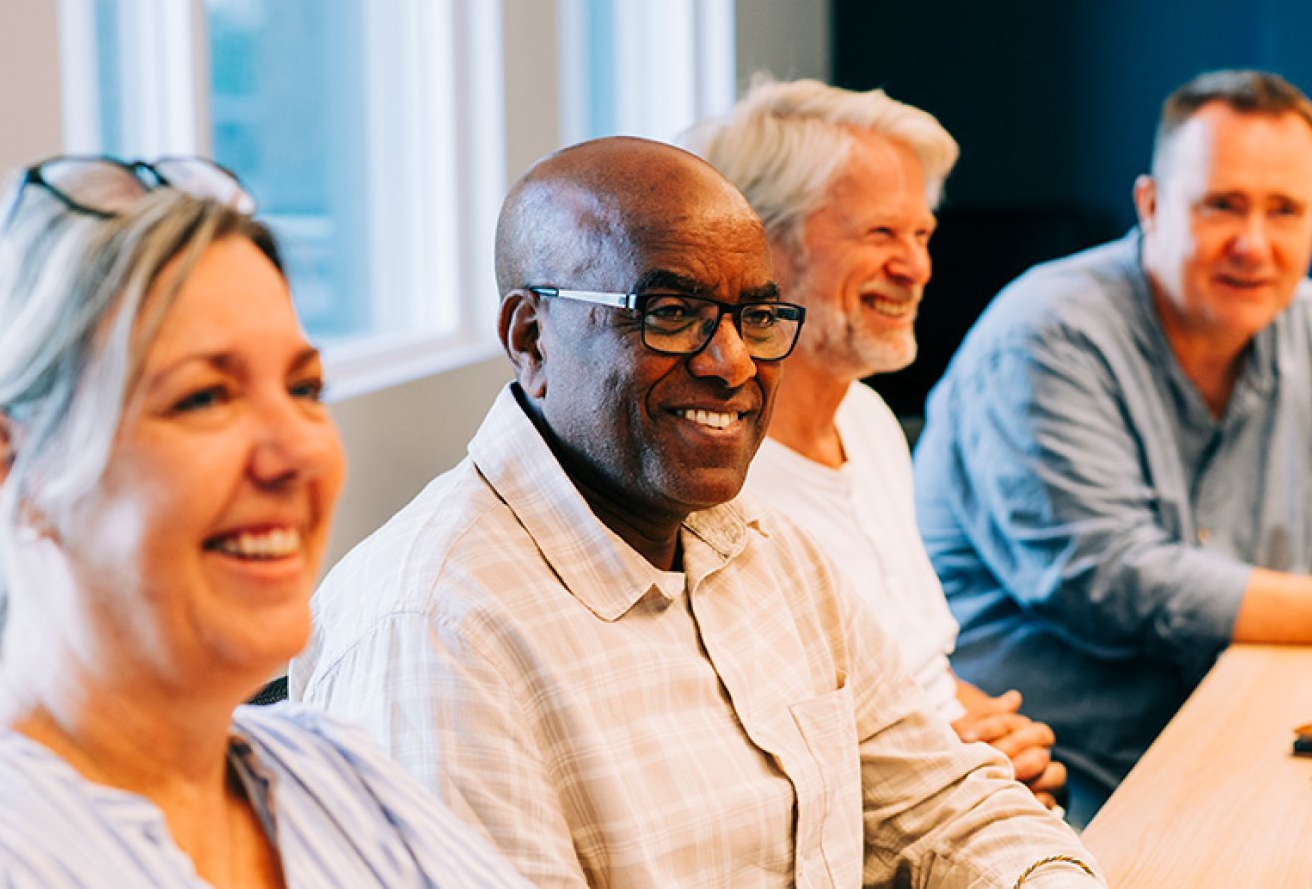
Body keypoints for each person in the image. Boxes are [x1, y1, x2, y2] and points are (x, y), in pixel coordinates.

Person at [292, 137, 1101, 887]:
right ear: (531, 338)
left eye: (756, 315)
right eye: (670, 314)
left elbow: (943, 808)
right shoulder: (434, 633)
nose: (733, 362)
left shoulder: (767, 549)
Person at [0, 157, 531, 888]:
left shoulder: (339, 779)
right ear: (11, 466)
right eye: (205, 397)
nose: (300, 451)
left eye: (304, 387)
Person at [911, 68, 1312, 823]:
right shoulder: (1045, 334)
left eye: (1284, 210)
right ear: (1150, 205)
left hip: (1246, 739)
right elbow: (1112, 581)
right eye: (1222, 205)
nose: (1254, 243)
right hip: (1047, 775)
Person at [682, 77, 1066, 811]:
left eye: (922, 235)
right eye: (880, 234)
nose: (917, 267)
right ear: (760, 246)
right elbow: (755, 774)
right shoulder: (716, 479)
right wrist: (961, 764)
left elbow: (917, 670)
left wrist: (995, 736)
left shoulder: (869, 420)